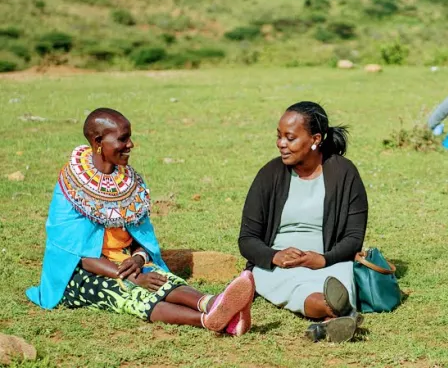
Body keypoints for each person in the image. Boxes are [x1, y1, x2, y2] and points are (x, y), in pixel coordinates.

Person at [27, 108, 255, 335]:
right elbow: (80, 255)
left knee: (161, 279)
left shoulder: (129, 181)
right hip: (79, 273)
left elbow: (140, 234)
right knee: (131, 295)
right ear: (98, 141)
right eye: (122, 139)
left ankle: (213, 303)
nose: (130, 144)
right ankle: (208, 320)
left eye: (129, 137)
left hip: (125, 261)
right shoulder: (71, 184)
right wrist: (134, 276)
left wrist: (138, 258)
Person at [239, 102, 368, 343]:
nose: (281, 144)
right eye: (279, 137)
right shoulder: (269, 174)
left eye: (290, 138)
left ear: (315, 139)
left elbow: (353, 237)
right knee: (299, 289)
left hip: (330, 260)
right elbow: (247, 239)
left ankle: (331, 319)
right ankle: (337, 313)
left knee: (337, 279)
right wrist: (275, 256)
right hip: (279, 265)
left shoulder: (344, 173)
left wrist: (323, 259)